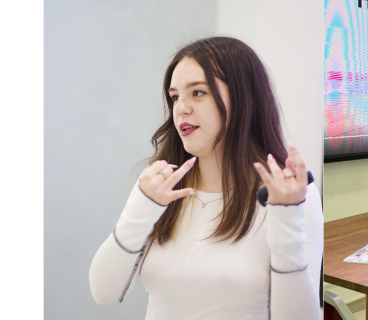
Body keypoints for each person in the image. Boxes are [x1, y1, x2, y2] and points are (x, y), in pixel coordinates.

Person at [89, 37, 323, 320]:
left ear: (243, 98)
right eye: (175, 97)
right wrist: (141, 209)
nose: (181, 108)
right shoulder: (162, 185)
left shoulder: (289, 193)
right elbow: (103, 293)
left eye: (198, 93)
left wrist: (286, 225)